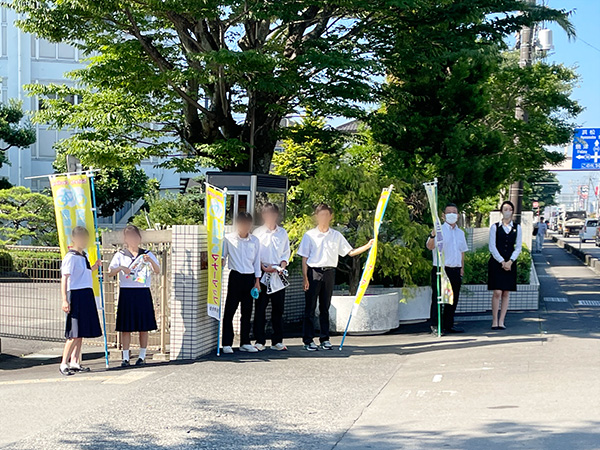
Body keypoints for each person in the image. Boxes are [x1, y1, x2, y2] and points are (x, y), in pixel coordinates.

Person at [297, 203, 374, 351]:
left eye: (326, 215)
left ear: (331, 216)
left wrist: (367, 246)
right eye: (321, 215)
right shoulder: (310, 235)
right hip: (314, 271)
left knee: (325, 307)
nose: (324, 218)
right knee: (310, 308)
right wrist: (305, 278)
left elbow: (349, 252)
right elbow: (304, 258)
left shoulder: (336, 235)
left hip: (329, 272)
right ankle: (308, 340)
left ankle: (324, 339)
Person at [108, 225, 160, 367]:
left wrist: (150, 261)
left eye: (135, 236)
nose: (133, 240)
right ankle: (125, 357)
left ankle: (142, 356)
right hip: (126, 291)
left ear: (139, 238)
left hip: (142, 291)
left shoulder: (146, 254)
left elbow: (157, 270)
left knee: (144, 326)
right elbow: (110, 272)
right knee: (126, 327)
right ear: (125, 239)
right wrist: (120, 268)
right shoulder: (120, 254)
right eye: (129, 237)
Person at [59, 226, 102, 376]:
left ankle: (75, 361)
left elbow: (85, 273)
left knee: (81, 331)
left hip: (86, 294)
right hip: (75, 295)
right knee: (74, 332)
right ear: (74, 239)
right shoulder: (70, 257)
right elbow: (64, 278)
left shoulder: (83, 255)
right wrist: (65, 300)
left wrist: (95, 266)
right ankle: (64, 363)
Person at [222, 212, 262, 354]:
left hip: (249, 277)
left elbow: (257, 262)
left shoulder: (255, 241)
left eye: (247, 224)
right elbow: (223, 257)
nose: (244, 227)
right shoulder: (228, 239)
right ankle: (226, 342)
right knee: (230, 311)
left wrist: (257, 281)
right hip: (235, 276)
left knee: (247, 311)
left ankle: (245, 341)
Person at [426, 203, 469, 335]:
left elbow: (462, 251)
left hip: (455, 269)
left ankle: (448, 324)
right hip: (441, 269)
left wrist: (462, 267)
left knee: (453, 298)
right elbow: (429, 246)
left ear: (458, 215)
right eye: (449, 212)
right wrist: (433, 235)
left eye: (454, 212)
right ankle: (435, 325)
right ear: (443, 216)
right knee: (438, 297)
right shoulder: (439, 230)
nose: (452, 215)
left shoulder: (460, 233)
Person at [253, 203, 291, 351]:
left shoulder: (282, 233)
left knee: (278, 309)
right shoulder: (258, 233)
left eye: (273, 214)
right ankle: (260, 341)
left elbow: (286, 252)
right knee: (260, 309)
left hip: (277, 274)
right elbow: (254, 254)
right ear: (263, 216)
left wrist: (282, 265)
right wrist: (262, 267)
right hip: (262, 273)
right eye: (267, 214)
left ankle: (277, 341)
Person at [488, 201, 523, 330]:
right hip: (497, 263)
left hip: (510, 262)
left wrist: (510, 261)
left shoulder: (517, 227)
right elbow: (492, 246)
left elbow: (518, 247)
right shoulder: (495, 227)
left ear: (513, 211)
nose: (507, 211)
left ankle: (502, 320)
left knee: (506, 292)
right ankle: (494, 320)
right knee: (497, 291)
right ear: (501, 211)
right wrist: (502, 261)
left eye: (509, 209)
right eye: (505, 209)